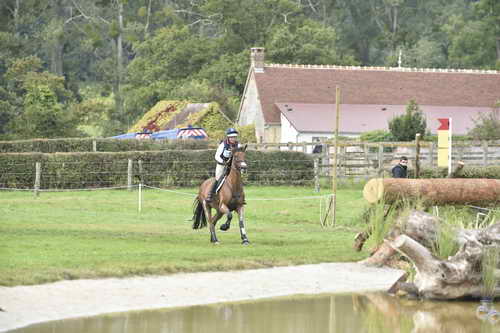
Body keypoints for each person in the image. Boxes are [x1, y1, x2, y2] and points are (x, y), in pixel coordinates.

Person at [206, 128, 240, 202]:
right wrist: (223, 162)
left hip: (233, 166)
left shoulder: (238, 145)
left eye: (234, 137)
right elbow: (216, 156)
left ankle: (239, 196)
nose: (233, 139)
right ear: (228, 137)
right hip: (222, 164)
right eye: (231, 137)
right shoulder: (223, 145)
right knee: (218, 178)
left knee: (238, 178)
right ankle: (210, 194)